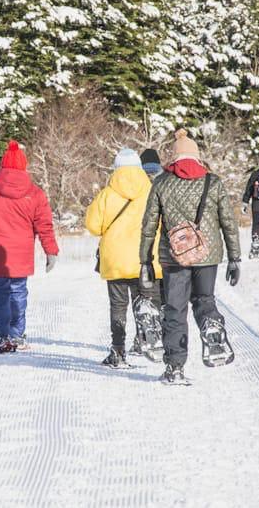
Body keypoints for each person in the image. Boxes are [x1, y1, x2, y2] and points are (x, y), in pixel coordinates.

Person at [139, 129, 241, 385]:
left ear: (173, 157)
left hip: (174, 257)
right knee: (204, 299)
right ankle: (211, 325)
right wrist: (234, 257)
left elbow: (149, 224)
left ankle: (175, 367)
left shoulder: (161, 183)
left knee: (174, 309)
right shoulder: (213, 182)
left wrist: (145, 261)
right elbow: (228, 222)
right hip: (208, 254)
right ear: (196, 156)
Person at [0, 140, 59, 352]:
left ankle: (1, 334)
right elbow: (44, 225)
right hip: (20, 254)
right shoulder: (35, 193)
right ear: (23, 166)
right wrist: (50, 250)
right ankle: (16, 334)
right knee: (18, 292)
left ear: (2, 166)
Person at [85, 148, 163, 368]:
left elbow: (92, 226)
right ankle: (146, 339)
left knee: (118, 306)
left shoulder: (107, 194)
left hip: (116, 260)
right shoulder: (151, 191)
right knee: (147, 301)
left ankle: (118, 351)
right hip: (146, 258)